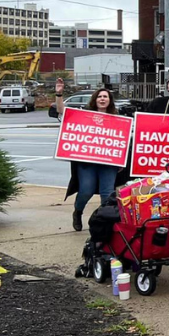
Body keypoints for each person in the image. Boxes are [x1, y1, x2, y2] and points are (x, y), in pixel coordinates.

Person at [55, 79, 126, 231]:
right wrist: (59, 94)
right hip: (87, 162)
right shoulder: (85, 115)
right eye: (100, 96)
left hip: (109, 162)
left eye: (105, 96)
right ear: (95, 99)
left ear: (110, 100)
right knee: (86, 190)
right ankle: (78, 212)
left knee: (107, 194)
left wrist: (120, 161)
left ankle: (102, 223)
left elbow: (122, 141)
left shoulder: (118, 118)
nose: (102, 99)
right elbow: (62, 112)